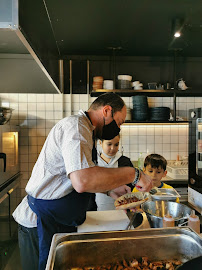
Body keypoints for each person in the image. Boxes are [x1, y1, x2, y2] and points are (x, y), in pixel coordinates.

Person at [13, 92, 153, 270]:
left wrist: (109, 190)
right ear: (107, 110)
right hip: (39, 223)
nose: (118, 129)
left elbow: (77, 176)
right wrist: (134, 174)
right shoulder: (77, 128)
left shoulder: (86, 130)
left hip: (59, 219)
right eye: (119, 122)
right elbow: (82, 181)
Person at [96, 134, 134, 211]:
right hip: (96, 211)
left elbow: (131, 185)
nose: (113, 148)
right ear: (100, 143)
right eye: (109, 144)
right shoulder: (93, 162)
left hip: (122, 210)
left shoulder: (125, 162)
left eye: (116, 144)